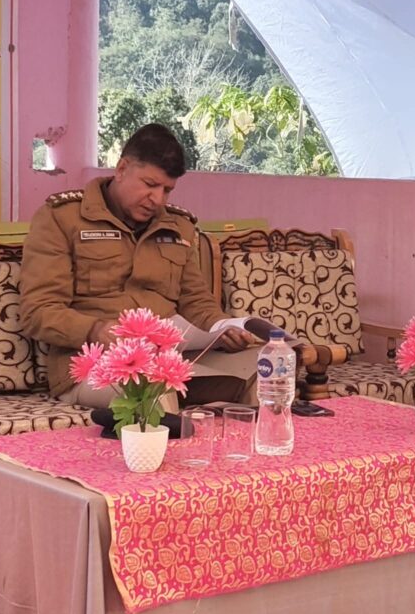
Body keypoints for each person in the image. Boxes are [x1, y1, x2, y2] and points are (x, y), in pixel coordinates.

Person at [19, 123, 257, 408]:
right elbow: (38, 311)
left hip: (170, 359)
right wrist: (95, 330)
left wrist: (223, 328)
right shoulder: (62, 218)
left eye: (167, 190)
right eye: (150, 185)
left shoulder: (176, 226)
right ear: (122, 169)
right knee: (151, 390)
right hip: (96, 366)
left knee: (265, 369)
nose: (157, 199)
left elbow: (196, 301)